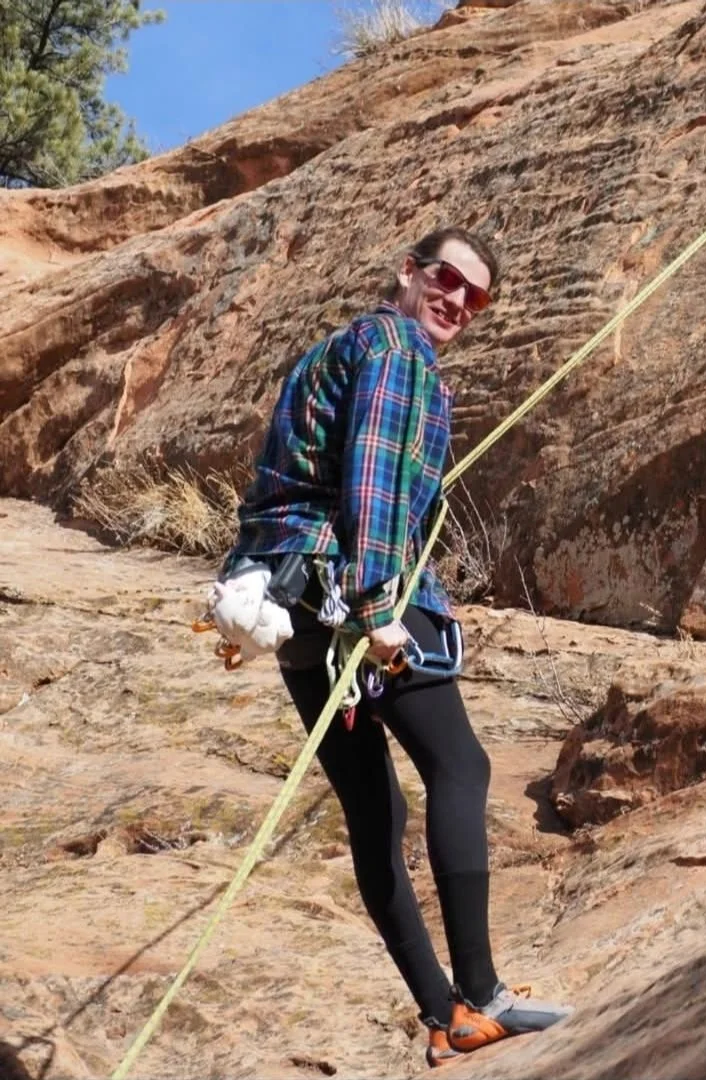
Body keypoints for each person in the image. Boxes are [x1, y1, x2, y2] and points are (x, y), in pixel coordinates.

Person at [221, 227, 572, 1068]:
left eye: (474, 296)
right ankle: (482, 994)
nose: (456, 300)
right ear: (408, 273)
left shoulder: (336, 348)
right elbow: (372, 474)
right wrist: (379, 606)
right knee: (461, 768)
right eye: (446, 278)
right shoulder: (395, 344)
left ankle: (443, 1012)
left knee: (375, 812)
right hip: (351, 589)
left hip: (293, 598)